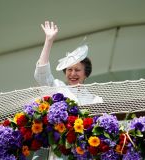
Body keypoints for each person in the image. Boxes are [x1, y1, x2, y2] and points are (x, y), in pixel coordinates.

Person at [34, 21, 102, 160]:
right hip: (61, 151)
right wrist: (49, 40)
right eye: (69, 70)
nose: (73, 74)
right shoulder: (57, 87)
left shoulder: (96, 99)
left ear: (85, 73)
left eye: (77, 70)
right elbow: (42, 74)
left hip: (85, 153)